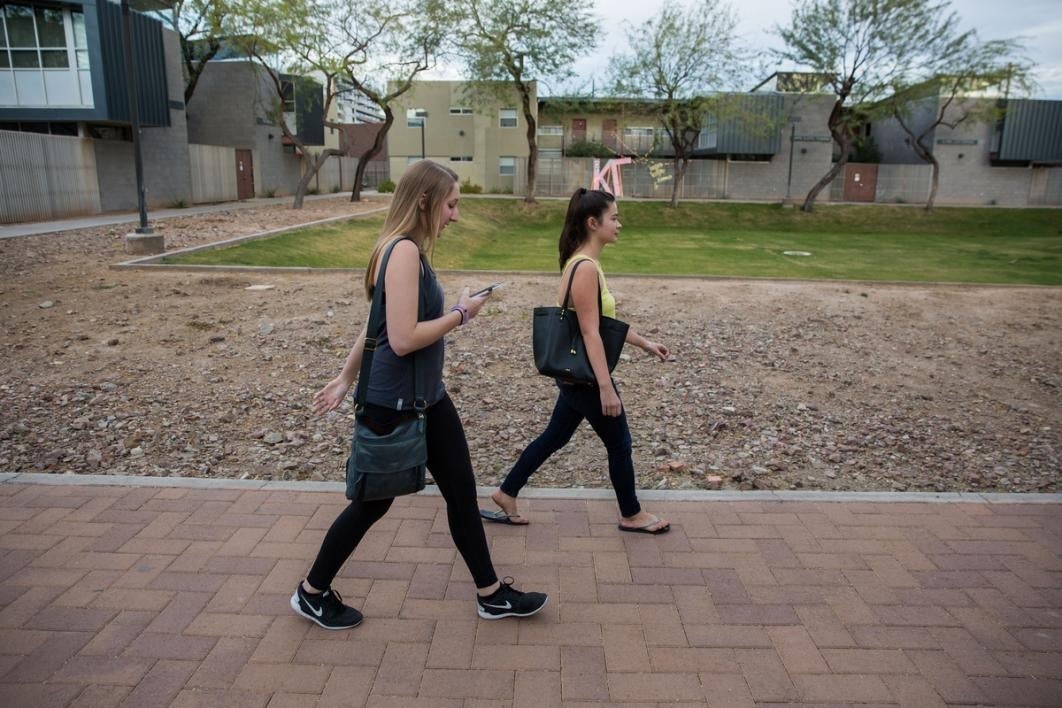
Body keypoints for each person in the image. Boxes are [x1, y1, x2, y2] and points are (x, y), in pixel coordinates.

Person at [292, 160, 548, 630]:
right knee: (374, 503)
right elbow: (403, 337)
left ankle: (490, 594)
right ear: (426, 200)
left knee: (461, 492)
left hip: (427, 398)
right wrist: (462, 314)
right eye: (451, 204)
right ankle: (312, 592)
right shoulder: (404, 251)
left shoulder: (403, 249)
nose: (455, 215)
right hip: (396, 403)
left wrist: (345, 377)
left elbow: (377, 326)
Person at [482, 188, 672, 534]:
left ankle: (506, 492)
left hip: (575, 374)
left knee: (555, 436)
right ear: (592, 222)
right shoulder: (584, 268)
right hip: (585, 377)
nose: (619, 224)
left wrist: (645, 344)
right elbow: (589, 333)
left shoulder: (584, 264)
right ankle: (631, 514)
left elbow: (602, 324)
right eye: (613, 217)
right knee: (620, 443)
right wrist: (606, 388)